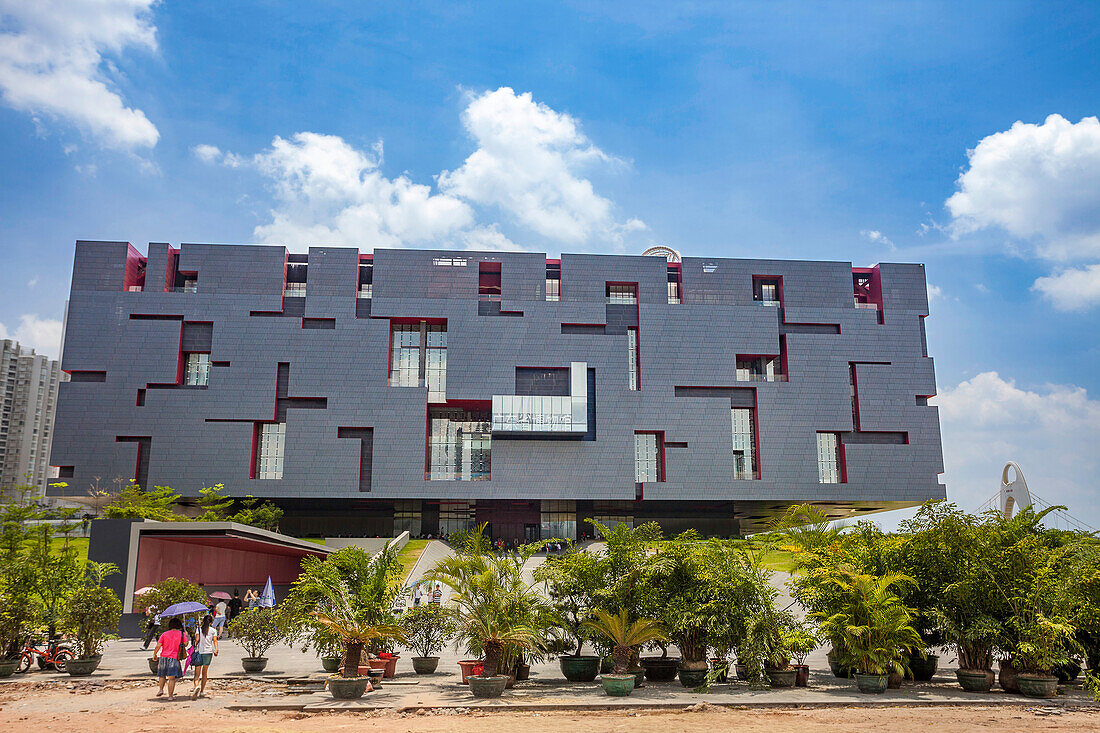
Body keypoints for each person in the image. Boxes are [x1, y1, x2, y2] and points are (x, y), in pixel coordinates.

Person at [153, 618, 186, 701]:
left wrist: (155, 654)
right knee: (171, 678)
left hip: (163, 657)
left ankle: (161, 689)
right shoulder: (181, 634)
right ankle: (170, 696)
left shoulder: (164, 634)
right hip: (174, 658)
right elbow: (185, 643)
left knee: (162, 675)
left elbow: (158, 645)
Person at [190, 614, 218, 699]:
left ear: (203, 621)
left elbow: (197, 640)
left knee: (196, 674)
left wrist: (194, 643)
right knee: (204, 673)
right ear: (211, 622)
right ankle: (202, 691)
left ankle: (196, 687)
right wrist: (216, 650)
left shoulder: (198, 629)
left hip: (199, 653)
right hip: (208, 652)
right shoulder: (213, 630)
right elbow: (215, 641)